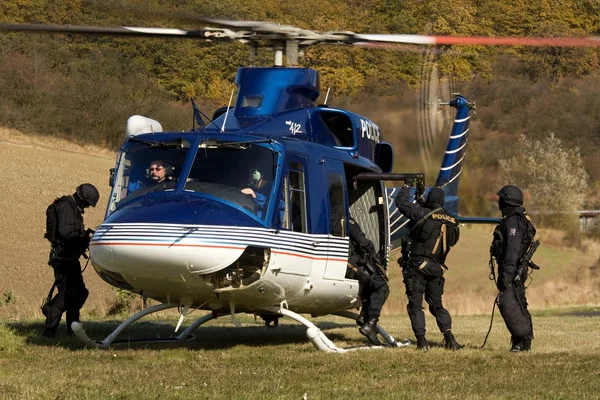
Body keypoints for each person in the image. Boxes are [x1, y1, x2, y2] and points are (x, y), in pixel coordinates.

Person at [395, 178, 461, 351]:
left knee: (415, 306)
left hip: (418, 266)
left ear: (429, 200)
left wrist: (407, 186)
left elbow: (401, 202)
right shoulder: (452, 221)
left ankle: (422, 343)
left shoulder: (421, 213)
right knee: (437, 305)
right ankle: (450, 340)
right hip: (437, 268)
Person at [42, 183, 99, 337]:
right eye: (87, 204)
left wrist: (84, 238)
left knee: (79, 293)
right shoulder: (66, 207)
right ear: (83, 198)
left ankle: (72, 329)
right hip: (63, 258)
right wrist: (83, 240)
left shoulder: (71, 207)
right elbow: (66, 234)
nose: (87, 207)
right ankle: (49, 328)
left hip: (70, 258)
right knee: (66, 294)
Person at [491, 185, 536, 352]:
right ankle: (522, 342)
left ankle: (521, 341)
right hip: (516, 269)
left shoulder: (512, 222)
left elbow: (512, 248)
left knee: (512, 305)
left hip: (512, 270)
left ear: (508, 200)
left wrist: (507, 273)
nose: (499, 203)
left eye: (501, 199)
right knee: (518, 304)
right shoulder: (520, 219)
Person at [346, 215, 390, 346]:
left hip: (338, 263)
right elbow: (363, 241)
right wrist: (375, 257)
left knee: (369, 283)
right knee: (382, 287)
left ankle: (364, 317)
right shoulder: (345, 218)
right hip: (348, 265)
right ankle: (369, 323)